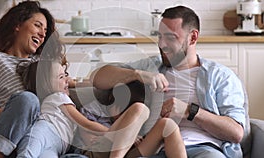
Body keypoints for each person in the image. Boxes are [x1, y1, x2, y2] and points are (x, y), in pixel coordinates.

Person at [90, 5, 246, 158]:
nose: (161, 44)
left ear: (193, 37)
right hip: (155, 148)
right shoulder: (151, 67)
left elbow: (236, 133)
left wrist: (190, 111)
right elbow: (97, 78)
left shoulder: (220, 76)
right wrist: (136, 74)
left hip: (203, 149)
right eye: (159, 36)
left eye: (170, 38)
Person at [17, 53, 186, 158]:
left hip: (126, 152)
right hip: (97, 151)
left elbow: (82, 83)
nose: (123, 116)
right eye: (121, 109)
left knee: (168, 125)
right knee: (140, 110)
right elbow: (87, 133)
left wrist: (73, 82)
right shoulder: (88, 109)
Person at [0, 1, 59, 157]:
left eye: (45, 30)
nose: (42, 34)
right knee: (27, 100)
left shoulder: (44, 65)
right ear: (18, 25)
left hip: (40, 140)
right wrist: (13, 112)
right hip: (4, 143)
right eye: (37, 25)